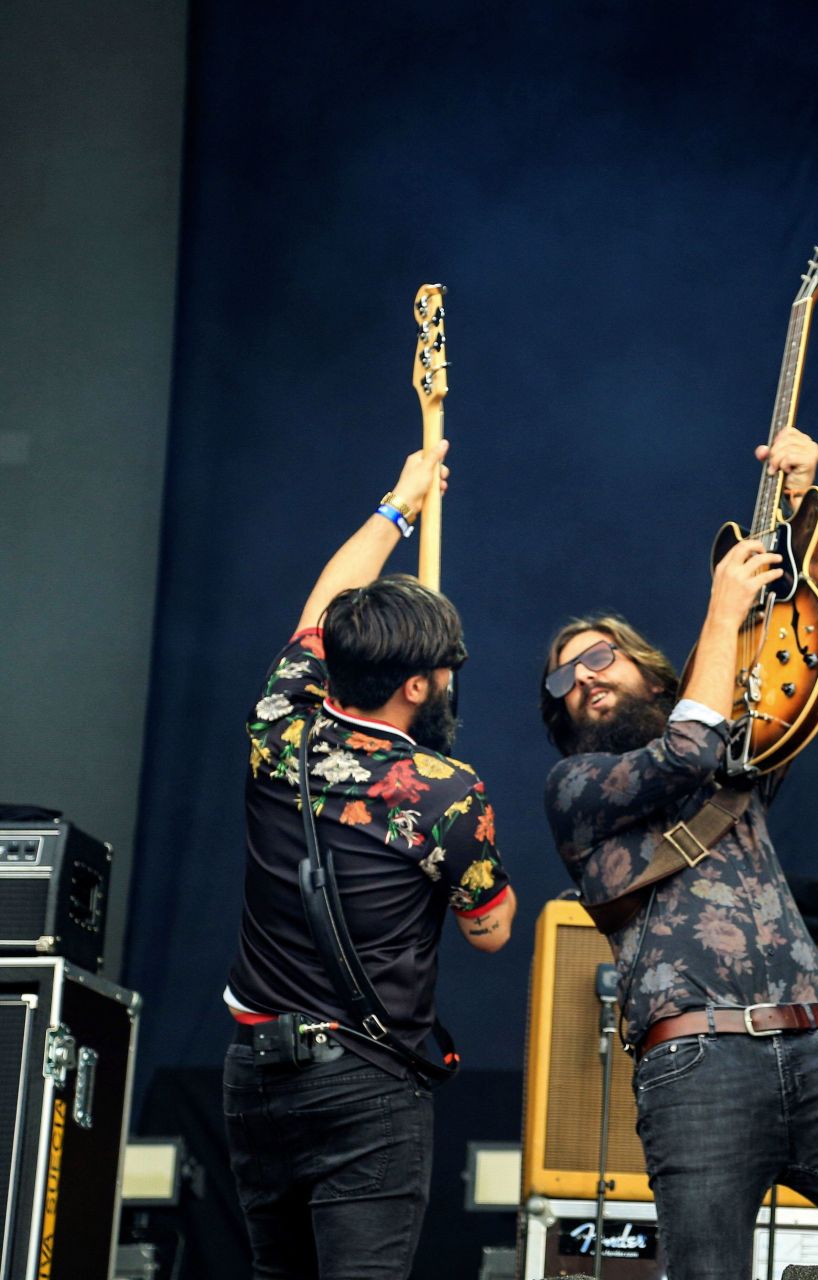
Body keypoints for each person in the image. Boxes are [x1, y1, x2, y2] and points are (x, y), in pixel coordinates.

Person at [539, 427, 818, 1278]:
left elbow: (809, 665)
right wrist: (722, 612)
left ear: (657, 678)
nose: (582, 677)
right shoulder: (579, 788)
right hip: (693, 1062)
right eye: (562, 679)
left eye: (598, 657)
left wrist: (806, 514)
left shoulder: (727, 750)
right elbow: (681, 755)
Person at [222, 440, 517, 1279]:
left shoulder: (278, 725)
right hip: (363, 1083)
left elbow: (322, 603)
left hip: (253, 1072)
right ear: (417, 687)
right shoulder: (445, 793)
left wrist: (399, 501)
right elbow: (491, 930)